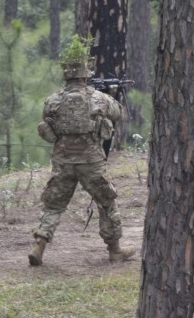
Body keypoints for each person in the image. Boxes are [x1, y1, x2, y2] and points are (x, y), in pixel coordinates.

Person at [29, 51, 135, 266]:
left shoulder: (52, 100)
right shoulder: (98, 98)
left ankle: (39, 246)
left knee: (54, 205)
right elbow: (118, 113)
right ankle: (115, 251)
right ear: (86, 73)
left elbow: (47, 121)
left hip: (63, 161)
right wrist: (111, 93)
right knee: (106, 202)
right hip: (91, 162)